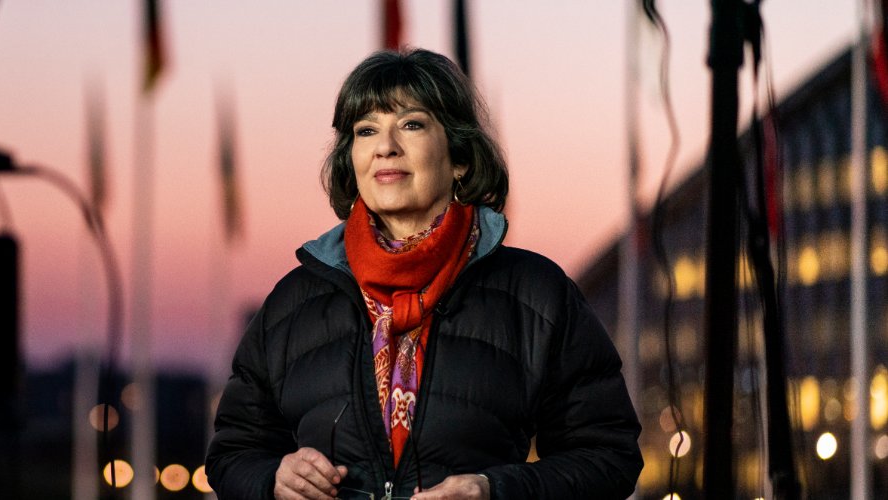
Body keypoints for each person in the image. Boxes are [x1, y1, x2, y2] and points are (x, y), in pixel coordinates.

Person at [204, 48, 643, 500]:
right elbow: (233, 453)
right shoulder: (293, 303)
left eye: (411, 124)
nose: (385, 146)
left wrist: (494, 490)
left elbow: (608, 456)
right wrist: (273, 478)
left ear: (460, 158)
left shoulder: (537, 295)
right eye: (366, 130)